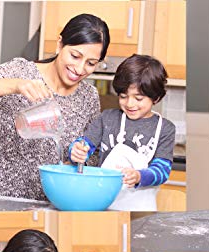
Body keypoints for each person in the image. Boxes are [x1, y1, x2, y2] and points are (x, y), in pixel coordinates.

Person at [0, 14, 110, 201]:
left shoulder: (88, 96)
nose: (80, 69)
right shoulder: (21, 71)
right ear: (59, 44)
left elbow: (94, 151)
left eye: (91, 63)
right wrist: (14, 85)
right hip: (4, 199)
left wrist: (79, 157)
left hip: (56, 202)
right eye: (75, 56)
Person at [69, 54, 176, 211]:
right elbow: (85, 144)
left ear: (156, 97)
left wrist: (139, 176)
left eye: (138, 98)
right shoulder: (107, 118)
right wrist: (77, 150)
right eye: (123, 96)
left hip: (139, 210)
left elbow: (162, 170)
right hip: (102, 204)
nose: (129, 104)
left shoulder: (165, 129)